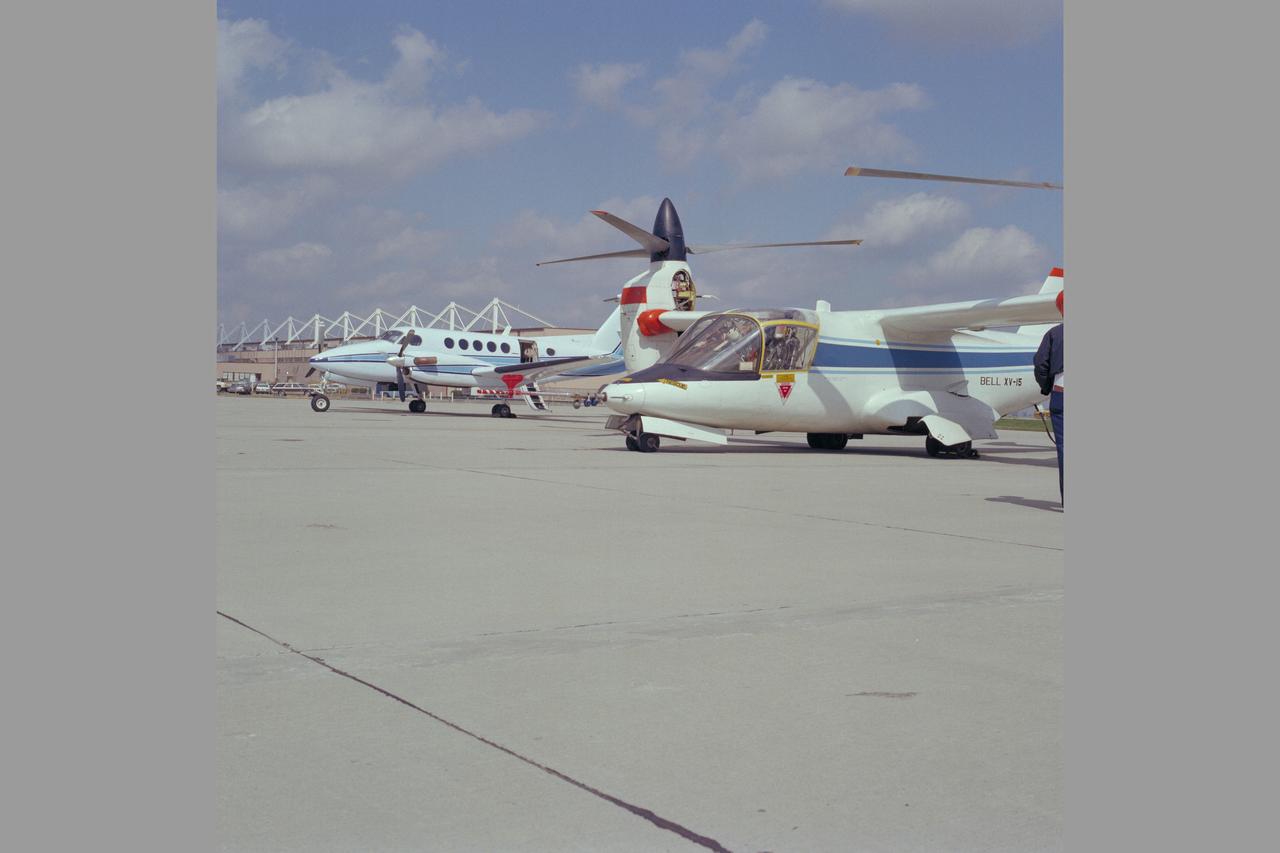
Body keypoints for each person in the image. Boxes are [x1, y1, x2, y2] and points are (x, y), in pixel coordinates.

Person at [1034, 290, 1065, 504]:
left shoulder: (1054, 334)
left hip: (1061, 395)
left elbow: (1040, 365)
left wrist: (1046, 388)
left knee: (1064, 448)